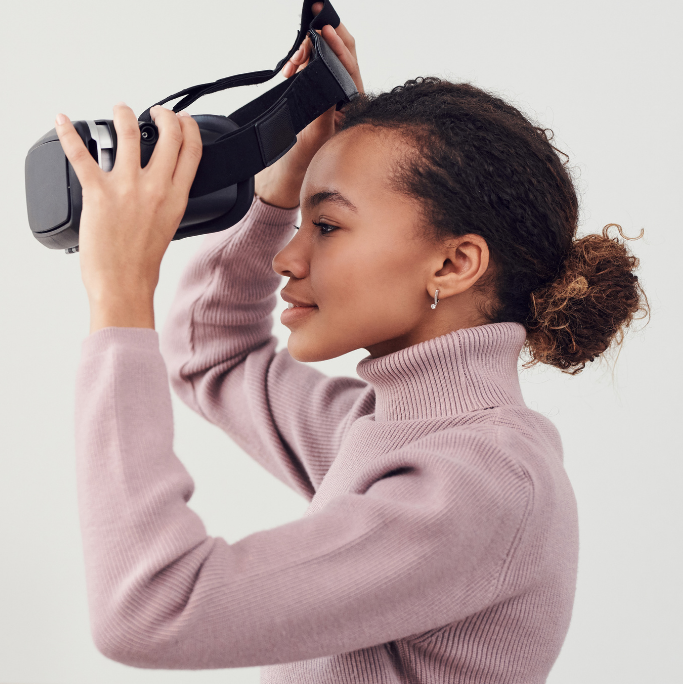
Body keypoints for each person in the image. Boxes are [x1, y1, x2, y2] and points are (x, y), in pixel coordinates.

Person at [51, 6, 647, 684]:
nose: (287, 257)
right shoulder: (387, 433)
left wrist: (120, 295)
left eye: (328, 225)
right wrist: (281, 186)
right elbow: (209, 352)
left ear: (454, 265)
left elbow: (153, 608)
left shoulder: (478, 483)